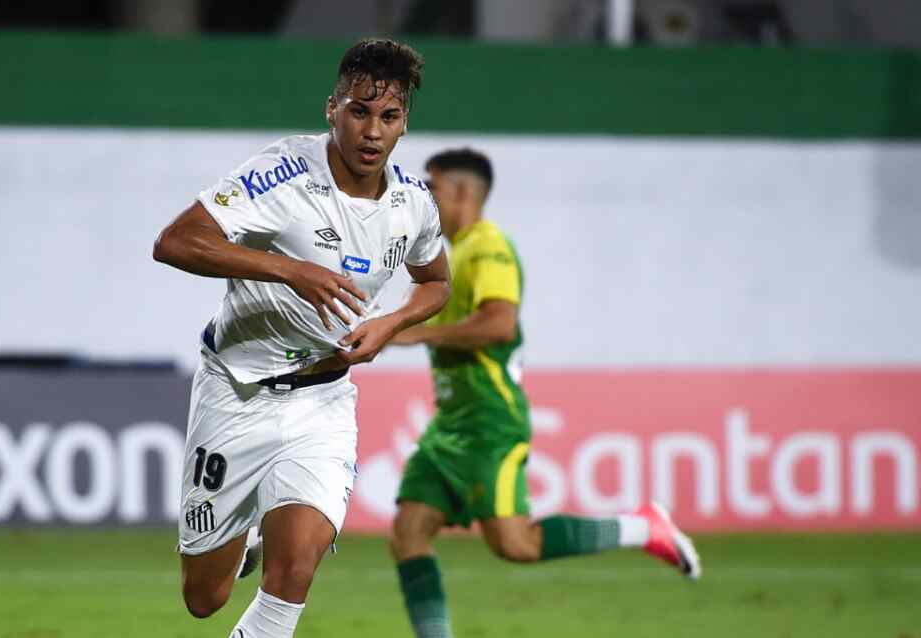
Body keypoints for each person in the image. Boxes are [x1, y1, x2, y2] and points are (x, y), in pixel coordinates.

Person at [152, 38, 451, 638]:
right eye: (359, 111)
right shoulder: (282, 173)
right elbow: (175, 242)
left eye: (388, 117)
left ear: (404, 125)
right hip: (237, 393)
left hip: (323, 401)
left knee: (296, 569)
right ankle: (244, 541)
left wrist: (389, 325)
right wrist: (294, 269)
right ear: (331, 108)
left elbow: (436, 282)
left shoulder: (413, 203)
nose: (372, 131)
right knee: (204, 597)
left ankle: (275, 545)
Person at [388, 148, 702, 638]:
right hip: (450, 424)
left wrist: (421, 333)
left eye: (434, 187)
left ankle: (644, 527)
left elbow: (499, 322)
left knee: (516, 544)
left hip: (490, 422)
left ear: (465, 193)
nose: (425, 196)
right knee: (408, 533)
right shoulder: (446, 254)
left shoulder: (489, 247)